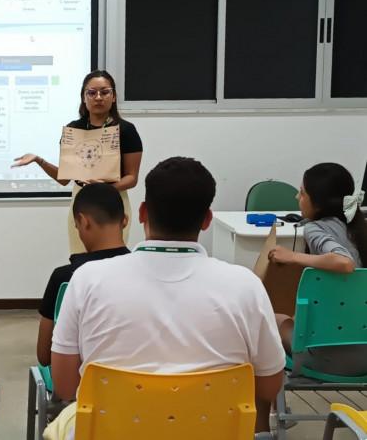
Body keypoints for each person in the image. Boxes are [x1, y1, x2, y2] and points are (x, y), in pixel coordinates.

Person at [45, 157, 285, 439]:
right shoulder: (246, 285)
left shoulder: (87, 278)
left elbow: (64, 385)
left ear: (143, 213)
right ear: (207, 219)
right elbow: (269, 387)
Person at [12, 70, 143, 254]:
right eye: (92, 92)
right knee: (79, 260)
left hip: (114, 200)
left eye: (105, 92)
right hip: (82, 201)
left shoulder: (126, 130)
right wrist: (39, 160)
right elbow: (64, 179)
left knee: (112, 260)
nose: (98, 97)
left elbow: (132, 177)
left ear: (113, 97)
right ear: (84, 97)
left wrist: (107, 188)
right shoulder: (74, 129)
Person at [269, 162, 367, 376]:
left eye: (302, 193)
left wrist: (292, 256)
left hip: (324, 360)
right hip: (364, 359)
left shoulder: (314, 229)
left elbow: (344, 262)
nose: (297, 197)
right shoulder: (358, 228)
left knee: (268, 318)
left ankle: (271, 403)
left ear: (319, 203)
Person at [36, 183, 128, 367]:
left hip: (84, 390)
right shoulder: (143, 272)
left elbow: (45, 356)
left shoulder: (64, 277)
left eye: (76, 226)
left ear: (83, 221)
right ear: (124, 220)